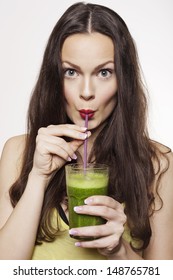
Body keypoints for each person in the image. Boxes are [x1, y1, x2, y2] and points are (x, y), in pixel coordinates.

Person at [0, 2, 173, 260]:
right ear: (55, 78)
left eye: (104, 72)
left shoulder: (159, 164)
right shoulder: (19, 151)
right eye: (71, 72)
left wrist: (119, 251)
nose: (87, 92)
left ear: (122, 80)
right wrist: (38, 176)